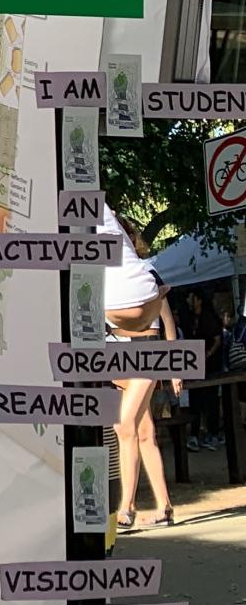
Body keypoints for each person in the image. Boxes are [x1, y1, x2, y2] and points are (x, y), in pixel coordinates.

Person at [106, 215, 182, 530]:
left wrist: (174, 367)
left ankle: (126, 507)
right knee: (144, 432)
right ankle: (165, 506)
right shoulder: (110, 275)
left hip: (145, 352)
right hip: (119, 356)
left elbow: (167, 322)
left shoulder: (145, 272)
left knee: (125, 427)